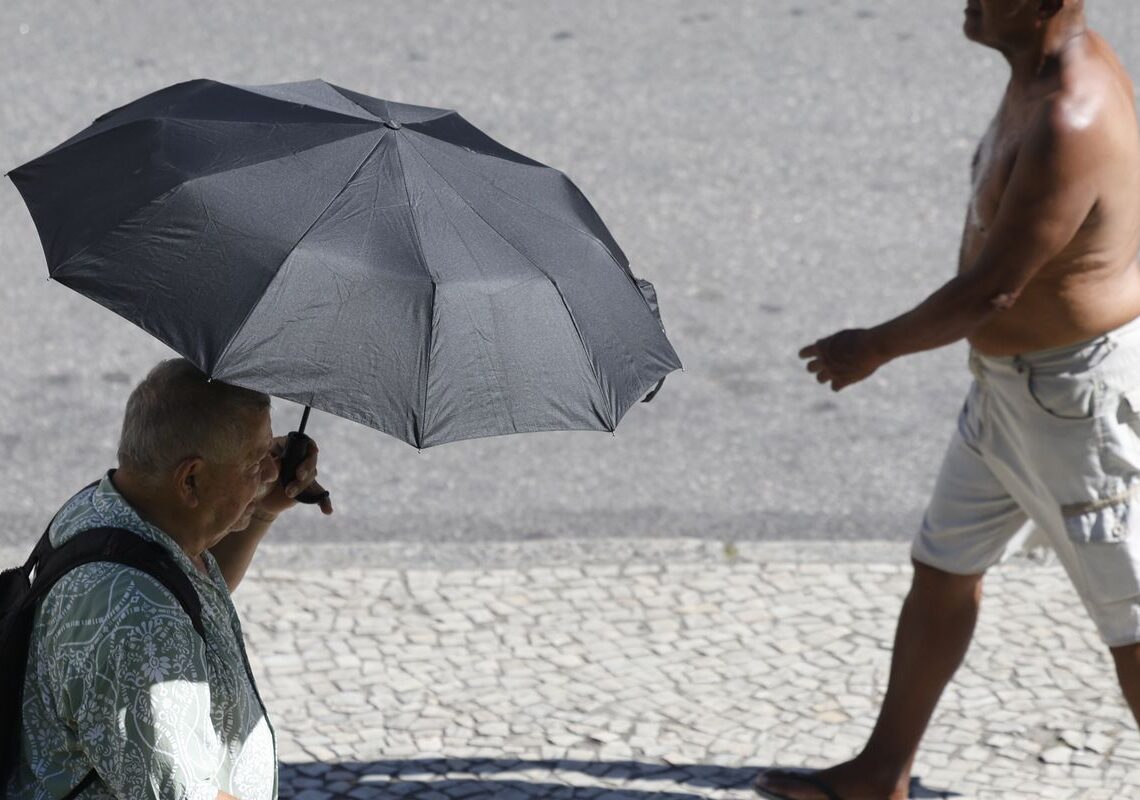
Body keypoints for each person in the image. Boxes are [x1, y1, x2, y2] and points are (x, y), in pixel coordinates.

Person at [754, 1, 1140, 799]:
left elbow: (992, 290)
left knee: (1132, 621)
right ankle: (882, 774)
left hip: (1072, 406)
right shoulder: (1038, 73)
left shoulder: (1071, 113)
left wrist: (874, 346)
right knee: (943, 567)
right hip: (1010, 390)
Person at [7, 358, 332, 800]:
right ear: (191, 480)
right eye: (256, 462)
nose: (272, 472)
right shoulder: (136, 621)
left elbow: (191, 600)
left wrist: (259, 508)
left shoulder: (114, 510)